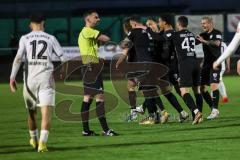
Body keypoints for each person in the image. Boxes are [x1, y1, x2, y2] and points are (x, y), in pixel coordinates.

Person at [9, 13, 65, 152]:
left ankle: (33, 138)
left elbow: (18, 58)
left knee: (32, 113)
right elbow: (63, 57)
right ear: (44, 23)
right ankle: (42, 144)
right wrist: (62, 73)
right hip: (46, 79)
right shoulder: (51, 38)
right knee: (46, 113)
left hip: (29, 81)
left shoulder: (25, 38)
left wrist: (12, 78)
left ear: (30, 24)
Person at [78, 10, 118, 136]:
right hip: (91, 68)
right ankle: (106, 130)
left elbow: (94, 47)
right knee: (100, 97)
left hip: (88, 66)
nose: (98, 19)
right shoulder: (88, 30)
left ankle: (86, 130)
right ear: (88, 19)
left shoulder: (84, 32)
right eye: (96, 17)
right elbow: (106, 38)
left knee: (87, 99)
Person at [146, 16, 189, 123]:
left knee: (153, 90)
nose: (158, 23)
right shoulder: (164, 33)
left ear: (164, 22)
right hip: (165, 66)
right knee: (164, 91)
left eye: (159, 22)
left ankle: (158, 114)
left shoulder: (170, 33)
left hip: (167, 67)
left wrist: (149, 30)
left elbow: (159, 39)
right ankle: (183, 112)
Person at [173, 16, 203, 124]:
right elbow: (197, 41)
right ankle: (199, 116)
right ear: (187, 24)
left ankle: (196, 112)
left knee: (183, 91)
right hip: (195, 62)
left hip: (185, 64)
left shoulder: (175, 35)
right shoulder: (191, 34)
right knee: (197, 91)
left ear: (178, 24)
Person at [196, 16, 222, 119]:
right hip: (206, 64)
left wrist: (204, 41)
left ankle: (215, 110)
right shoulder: (202, 35)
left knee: (213, 85)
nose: (203, 25)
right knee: (201, 88)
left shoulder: (217, 33)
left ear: (210, 23)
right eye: (202, 23)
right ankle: (212, 107)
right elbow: (193, 42)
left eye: (205, 23)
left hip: (216, 63)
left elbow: (217, 43)